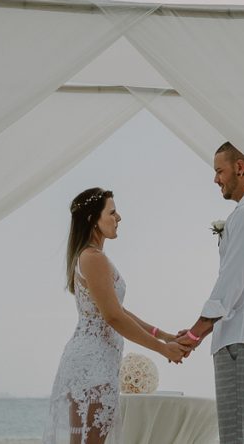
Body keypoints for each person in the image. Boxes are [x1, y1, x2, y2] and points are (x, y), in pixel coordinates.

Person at [44, 188, 188, 444]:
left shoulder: (90, 257)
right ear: (92, 219)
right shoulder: (93, 258)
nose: (118, 217)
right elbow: (114, 317)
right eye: (112, 212)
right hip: (92, 365)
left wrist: (163, 335)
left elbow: (118, 311)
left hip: (94, 362)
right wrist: (163, 350)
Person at [175, 143, 244, 444]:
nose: (216, 179)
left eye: (219, 171)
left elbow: (231, 284)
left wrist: (196, 333)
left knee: (240, 438)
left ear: (240, 167)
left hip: (242, 342)